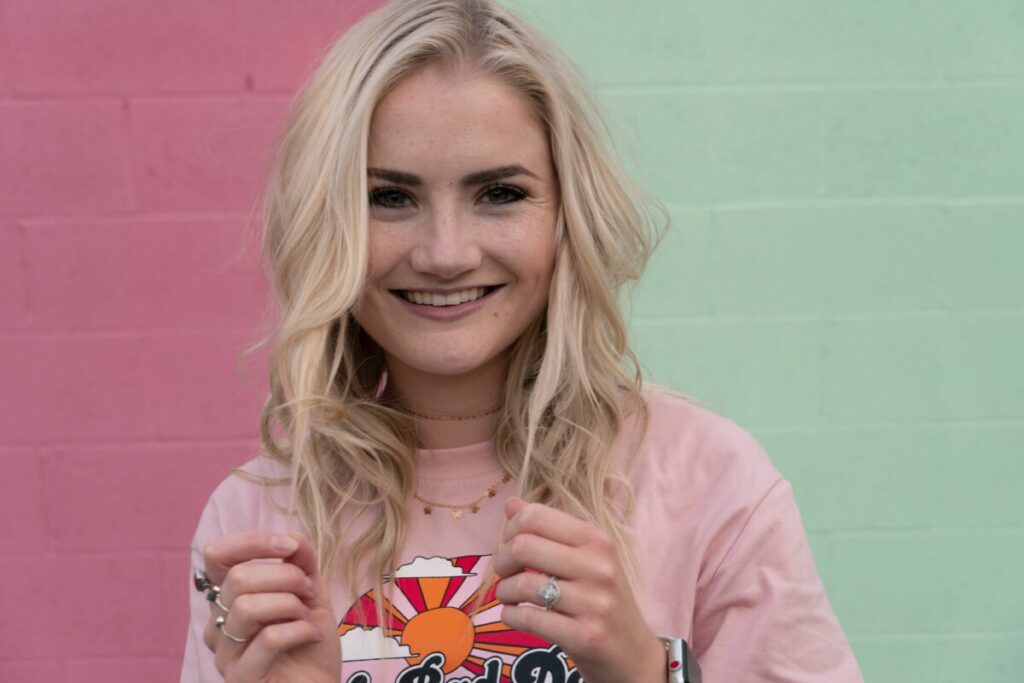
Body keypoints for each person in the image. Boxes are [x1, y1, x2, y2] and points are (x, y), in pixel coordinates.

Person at [181, 1, 864, 681]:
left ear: (569, 214)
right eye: (389, 197)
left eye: (499, 193)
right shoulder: (257, 524)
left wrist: (646, 672)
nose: (445, 252)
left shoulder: (710, 484)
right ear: (328, 224)